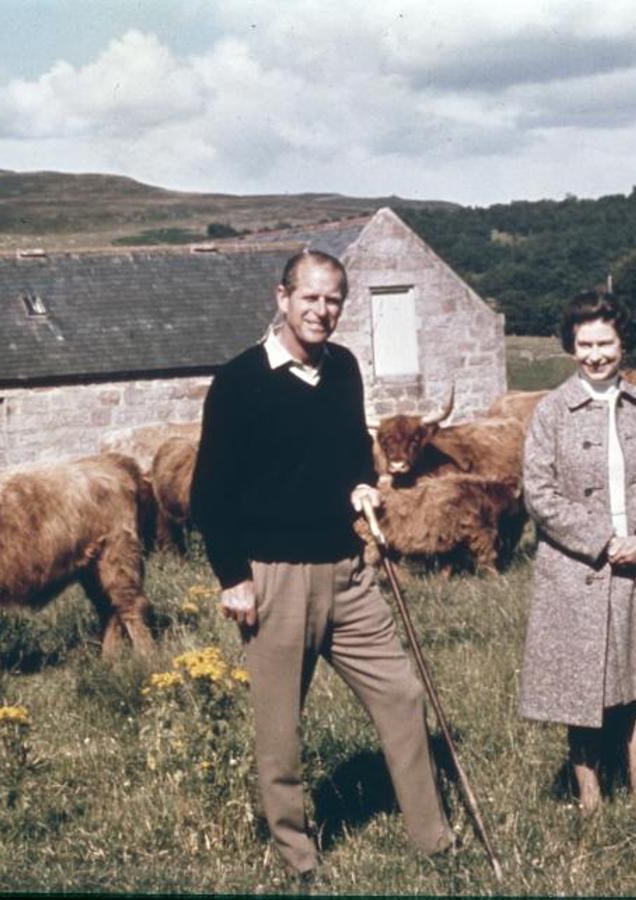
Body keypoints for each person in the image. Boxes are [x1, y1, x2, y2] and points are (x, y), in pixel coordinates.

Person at [190, 249, 455, 879]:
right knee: (281, 732)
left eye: (333, 299)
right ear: (281, 298)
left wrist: (362, 486)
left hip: (348, 570)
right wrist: (233, 578)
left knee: (400, 693)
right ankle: (299, 860)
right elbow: (209, 493)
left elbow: (348, 455)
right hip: (274, 575)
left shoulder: (344, 370)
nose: (322, 310)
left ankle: (434, 841)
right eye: (310, 297)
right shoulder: (239, 382)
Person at [518, 289, 636, 812]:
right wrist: (602, 541)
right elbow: (540, 494)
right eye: (585, 344)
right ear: (570, 346)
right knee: (584, 688)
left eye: (605, 343)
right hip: (580, 571)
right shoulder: (551, 412)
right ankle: (591, 800)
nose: (595, 354)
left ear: (623, 344)